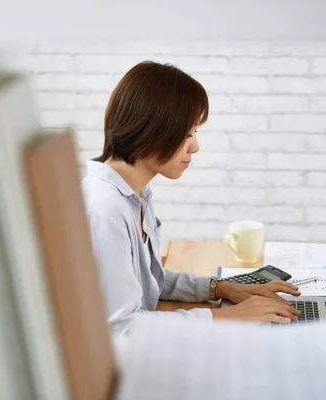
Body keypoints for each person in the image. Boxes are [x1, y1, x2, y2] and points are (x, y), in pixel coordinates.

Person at [82, 61, 301, 334]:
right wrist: (230, 317)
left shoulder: (135, 195)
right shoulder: (106, 209)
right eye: (188, 132)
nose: (195, 146)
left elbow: (146, 280)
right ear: (154, 128)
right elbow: (122, 327)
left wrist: (222, 287)